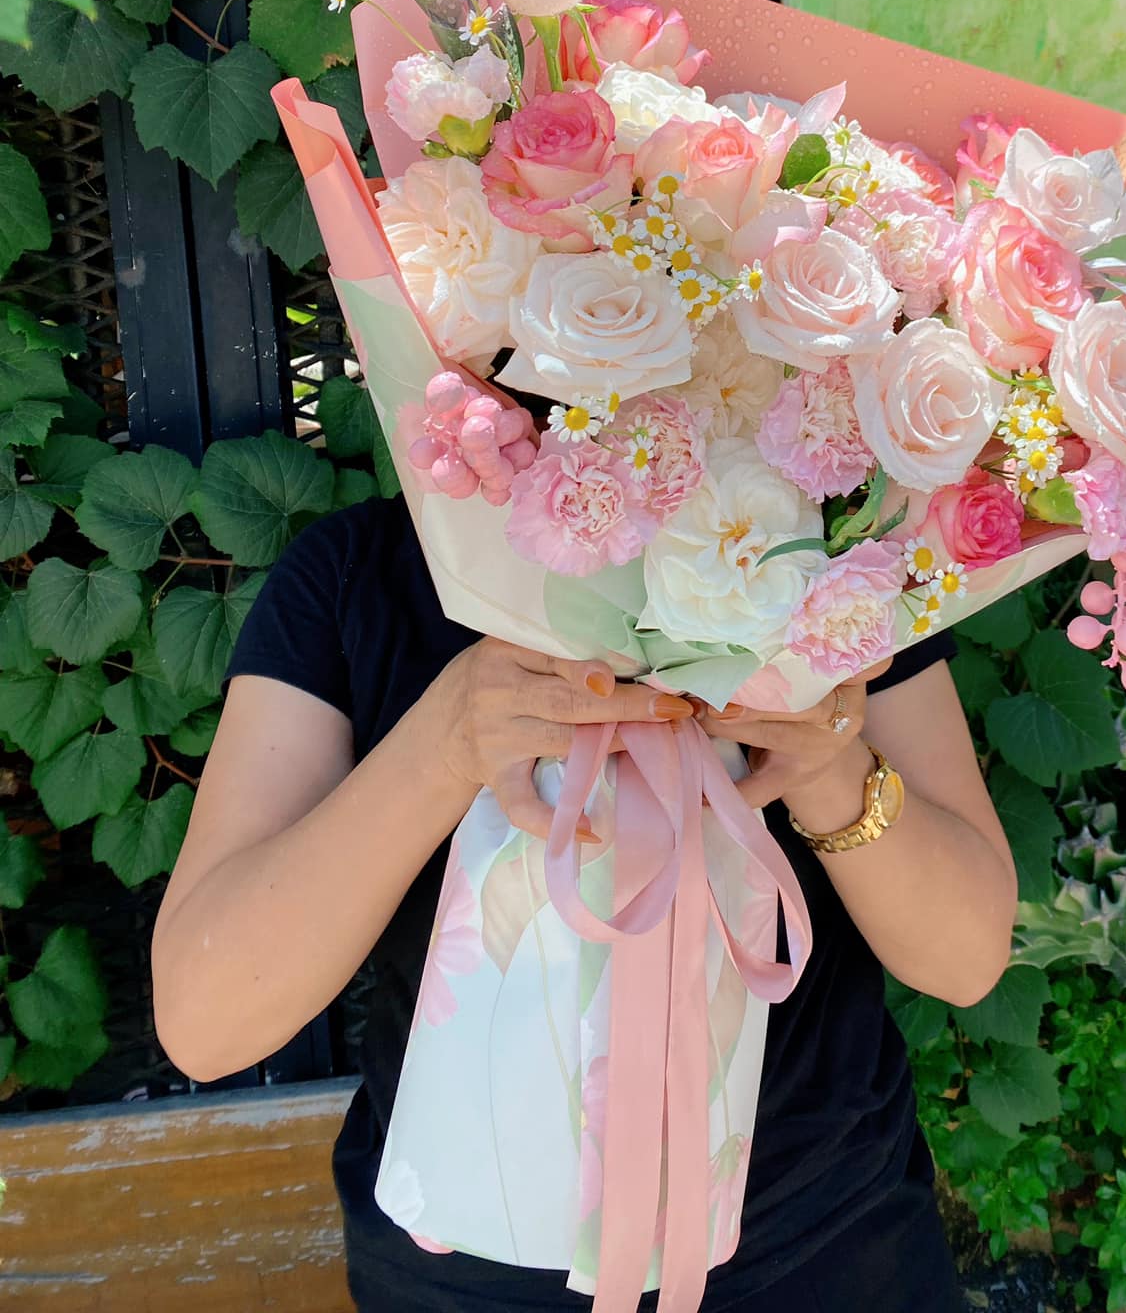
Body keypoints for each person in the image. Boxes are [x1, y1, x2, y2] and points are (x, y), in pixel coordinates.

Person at [153, 497, 1016, 1312]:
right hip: (468, 1260)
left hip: (827, 1240)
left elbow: (966, 956)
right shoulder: (356, 574)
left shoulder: (822, 558)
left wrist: (831, 769)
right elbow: (208, 1020)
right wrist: (445, 744)